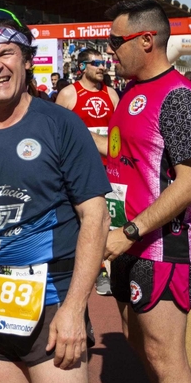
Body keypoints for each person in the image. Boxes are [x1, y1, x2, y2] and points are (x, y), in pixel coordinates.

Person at [0, 9, 110, 383]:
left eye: (6, 53)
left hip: (53, 307)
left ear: (28, 60)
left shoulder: (61, 125)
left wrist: (75, 308)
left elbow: (96, 216)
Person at [96, 0, 191, 383]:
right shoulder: (128, 91)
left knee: (165, 356)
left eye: (115, 40)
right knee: (136, 340)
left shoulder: (179, 97)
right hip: (127, 241)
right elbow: (119, 152)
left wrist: (129, 232)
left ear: (146, 40)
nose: (109, 50)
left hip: (163, 245)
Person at [55, 48, 119, 298]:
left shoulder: (112, 94)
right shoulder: (68, 94)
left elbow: (119, 133)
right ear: (82, 66)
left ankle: (104, 267)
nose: (102, 67)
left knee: (106, 221)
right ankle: (86, 268)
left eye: (104, 63)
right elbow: (56, 133)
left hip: (109, 170)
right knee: (80, 221)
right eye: (96, 63)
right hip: (77, 171)